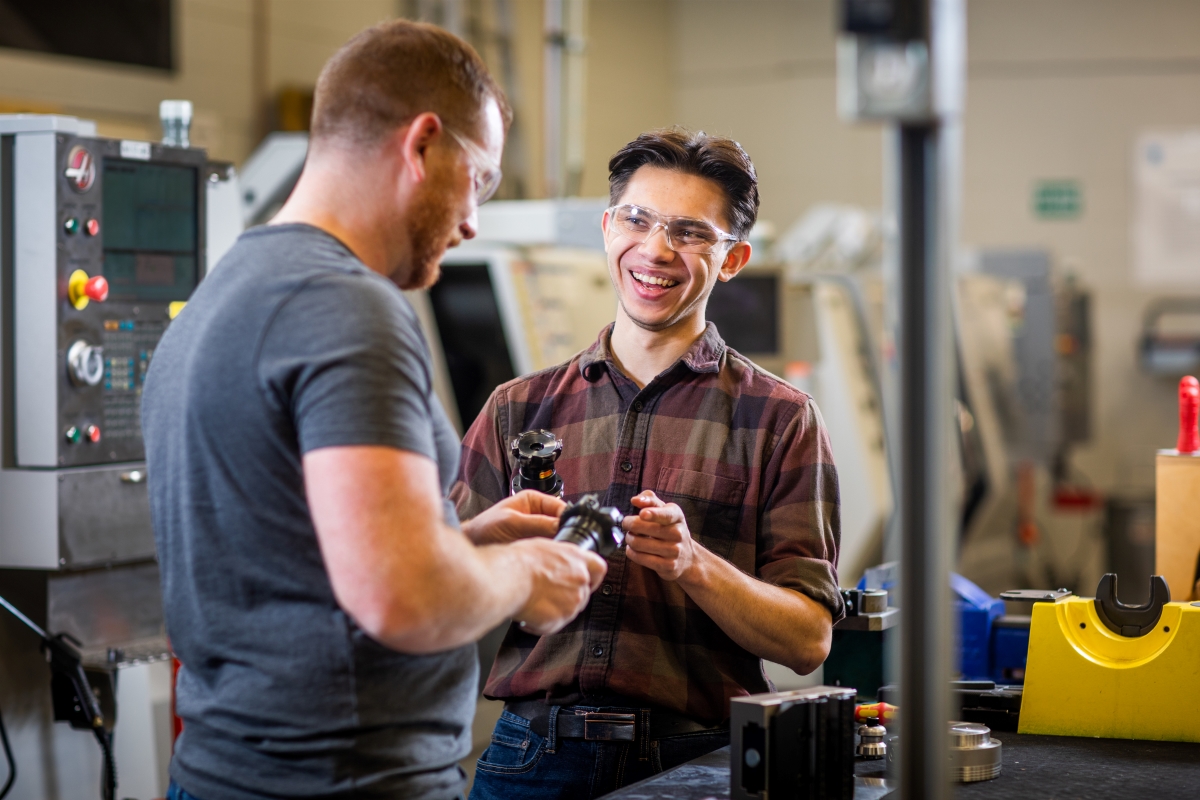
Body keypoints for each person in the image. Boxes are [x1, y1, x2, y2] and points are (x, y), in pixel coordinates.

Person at [142, 20, 606, 800]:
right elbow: (402, 598)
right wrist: (525, 570)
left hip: (226, 773)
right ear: (423, 143)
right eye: (480, 180)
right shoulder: (347, 307)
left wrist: (456, 540)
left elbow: (296, 559)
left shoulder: (221, 295)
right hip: (345, 780)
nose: (472, 222)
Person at [451, 128, 844, 799]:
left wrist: (693, 563)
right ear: (608, 229)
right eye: (638, 219)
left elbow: (808, 640)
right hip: (530, 757)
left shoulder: (779, 420)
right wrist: (497, 554)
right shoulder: (518, 408)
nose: (656, 249)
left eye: (691, 232)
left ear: (733, 259)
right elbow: (434, 588)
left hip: (698, 758)